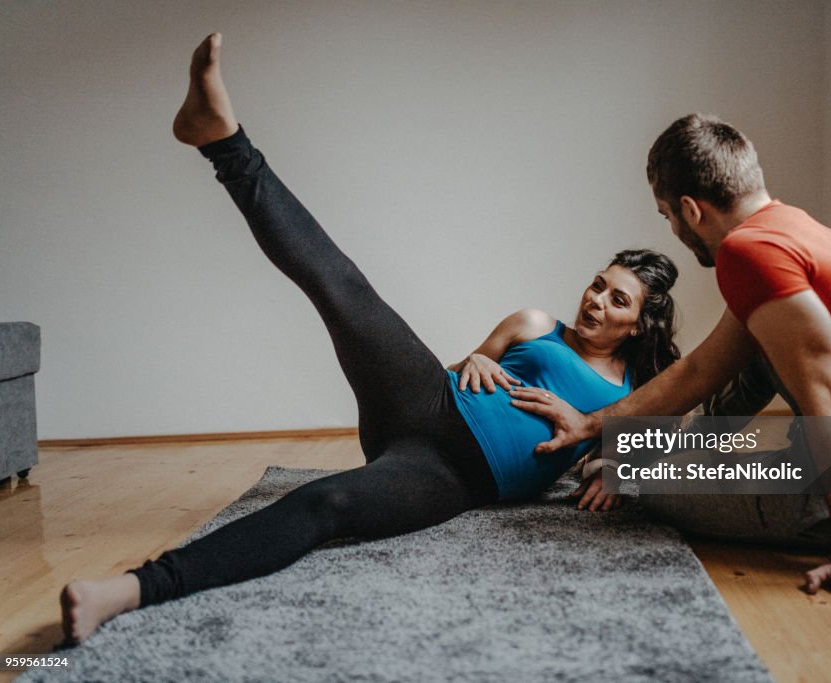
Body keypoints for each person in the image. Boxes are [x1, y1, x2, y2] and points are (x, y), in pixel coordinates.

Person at [58, 34, 683, 645]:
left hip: (451, 477)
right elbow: (458, 366)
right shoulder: (536, 324)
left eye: (617, 299)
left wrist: (613, 468)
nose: (595, 300)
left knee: (328, 504)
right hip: (430, 402)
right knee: (345, 290)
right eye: (598, 284)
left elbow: (637, 449)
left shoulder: (636, 390)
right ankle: (223, 141)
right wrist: (473, 362)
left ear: (640, 324)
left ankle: (127, 591)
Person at [511, 113, 831, 621]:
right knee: (747, 358)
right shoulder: (784, 228)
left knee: (641, 481)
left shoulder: (748, 253)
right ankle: (670, 457)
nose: (672, 226)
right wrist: (593, 424)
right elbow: (703, 370)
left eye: (667, 215)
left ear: (691, 209)